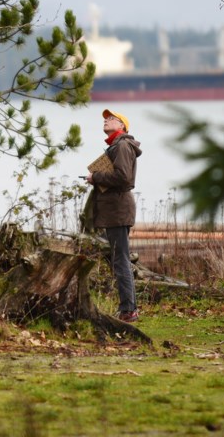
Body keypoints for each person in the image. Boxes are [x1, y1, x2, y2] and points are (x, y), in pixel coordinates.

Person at [82, 108, 142, 322]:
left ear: (122, 127)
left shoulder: (123, 146)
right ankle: (129, 308)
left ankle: (128, 310)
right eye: (106, 118)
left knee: (121, 260)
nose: (107, 120)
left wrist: (95, 176)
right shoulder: (116, 147)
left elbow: (124, 178)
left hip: (118, 209)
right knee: (120, 259)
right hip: (116, 209)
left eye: (112, 119)